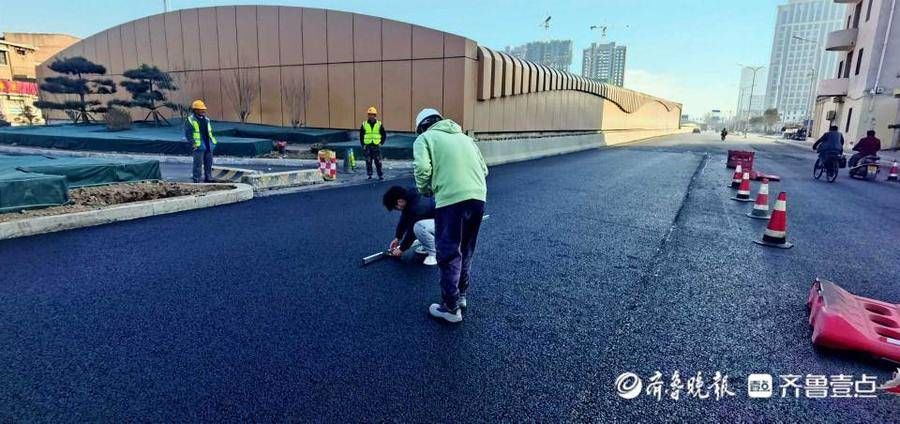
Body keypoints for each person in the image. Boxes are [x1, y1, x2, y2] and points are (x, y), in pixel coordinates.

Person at [413, 108, 488, 323]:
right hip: (478, 197)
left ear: (421, 127)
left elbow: (422, 169)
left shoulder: (425, 139)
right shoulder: (465, 138)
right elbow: (484, 170)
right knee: (466, 249)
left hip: (451, 200)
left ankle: (450, 307)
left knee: (448, 253)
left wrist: (426, 189)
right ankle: (461, 296)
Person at [382, 185, 437, 266]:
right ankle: (432, 242)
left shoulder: (418, 208)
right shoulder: (409, 195)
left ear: (399, 201)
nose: (397, 209)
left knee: (419, 228)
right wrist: (398, 237)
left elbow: (412, 232)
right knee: (419, 225)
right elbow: (404, 219)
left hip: (450, 224)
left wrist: (401, 249)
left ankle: (435, 252)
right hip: (439, 219)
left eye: (395, 207)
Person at [184, 100, 217, 183]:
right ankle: (197, 179)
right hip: (198, 145)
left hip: (208, 144)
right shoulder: (190, 120)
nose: (203, 111)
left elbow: (209, 132)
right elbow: (188, 134)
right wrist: (193, 144)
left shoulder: (206, 120)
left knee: (209, 162)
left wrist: (212, 142)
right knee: (198, 164)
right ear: (195, 110)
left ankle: (208, 177)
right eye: (201, 109)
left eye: (203, 109)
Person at [359, 106, 387, 180]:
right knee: (368, 161)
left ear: (375, 115)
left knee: (378, 161)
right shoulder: (364, 124)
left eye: (372, 114)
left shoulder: (379, 124)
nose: (371, 116)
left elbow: (383, 134)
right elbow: (361, 135)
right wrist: (363, 145)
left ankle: (380, 175)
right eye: (369, 114)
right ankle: (369, 174)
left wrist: (381, 143)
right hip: (367, 145)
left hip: (376, 145)